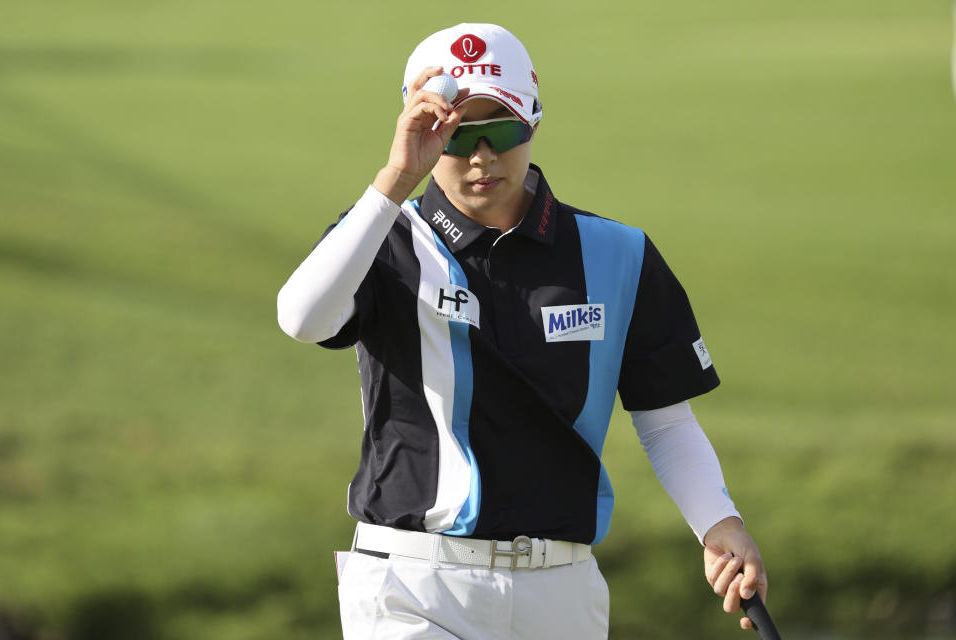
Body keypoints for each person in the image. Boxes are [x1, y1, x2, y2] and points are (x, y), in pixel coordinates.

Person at [277, 23, 768, 640]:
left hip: (561, 589)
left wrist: (720, 525)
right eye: (454, 135)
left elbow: (665, 421)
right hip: (412, 584)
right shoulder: (381, 239)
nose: (481, 156)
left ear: (532, 121)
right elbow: (301, 318)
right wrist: (398, 177)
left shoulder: (618, 254)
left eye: (501, 131)